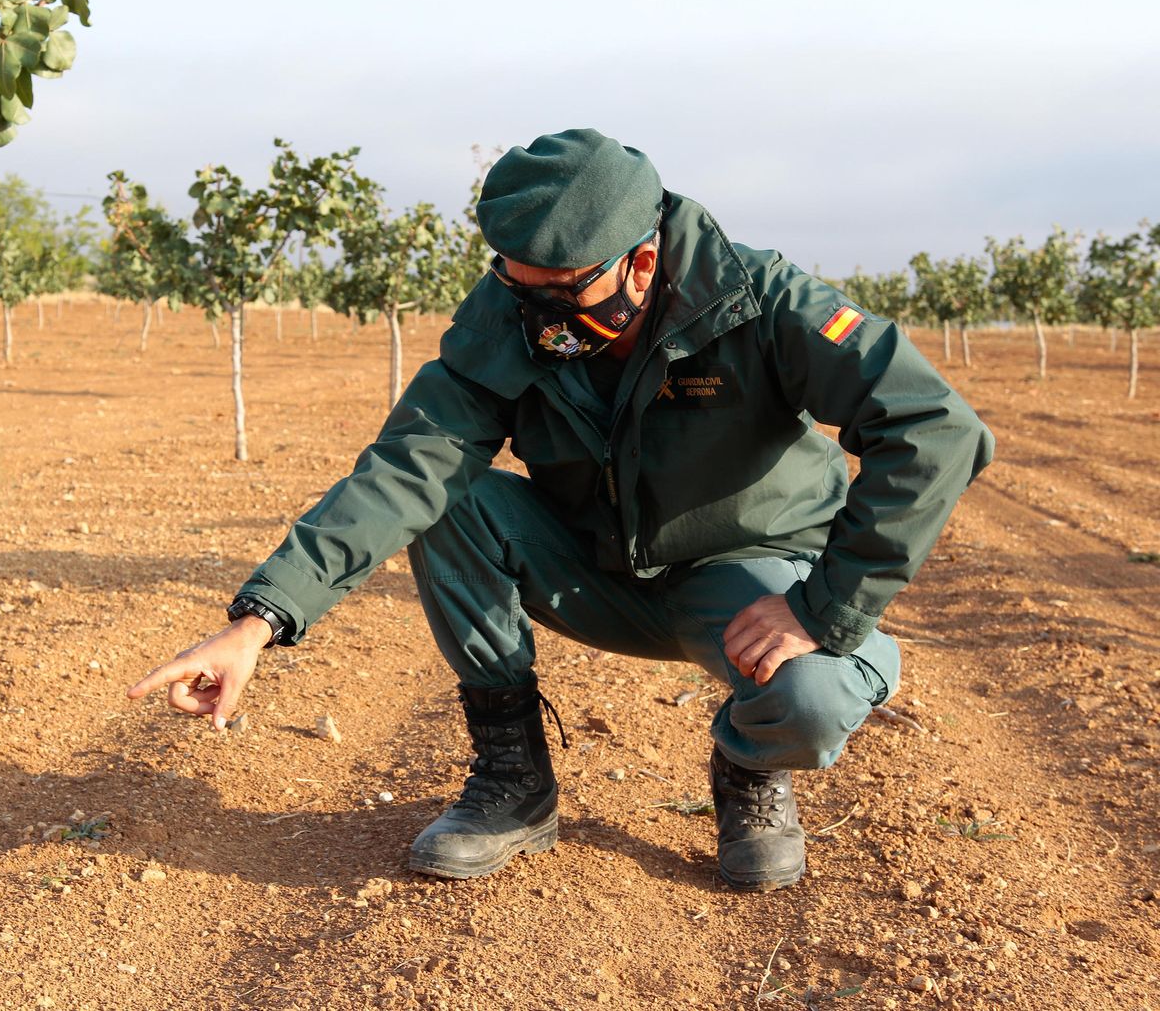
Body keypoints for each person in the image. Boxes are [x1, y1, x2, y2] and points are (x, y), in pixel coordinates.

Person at [127, 129, 994, 892]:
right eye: (519, 288)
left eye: (560, 294)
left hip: (748, 584)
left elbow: (936, 428)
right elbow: (407, 466)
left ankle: (748, 767)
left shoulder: (761, 304)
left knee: (810, 699)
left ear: (641, 262)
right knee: (451, 498)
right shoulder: (511, 316)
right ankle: (514, 782)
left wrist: (821, 607)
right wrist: (257, 622)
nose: (536, 316)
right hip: (596, 567)